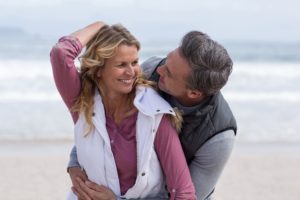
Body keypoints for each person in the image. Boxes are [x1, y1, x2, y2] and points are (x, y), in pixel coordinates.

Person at [68, 26, 237, 200]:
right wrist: (75, 161)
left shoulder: (218, 139)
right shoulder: (152, 69)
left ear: (193, 93)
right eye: (166, 61)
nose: (159, 71)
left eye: (169, 73)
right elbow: (106, 119)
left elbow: (185, 197)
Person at [50, 21, 196, 200]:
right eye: (121, 65)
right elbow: (60, 53)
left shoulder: (155, 114)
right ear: (98, 70)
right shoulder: (82, 100)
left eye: (134, 62)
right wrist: (100, 26)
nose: (131, 72)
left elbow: (184, 194)